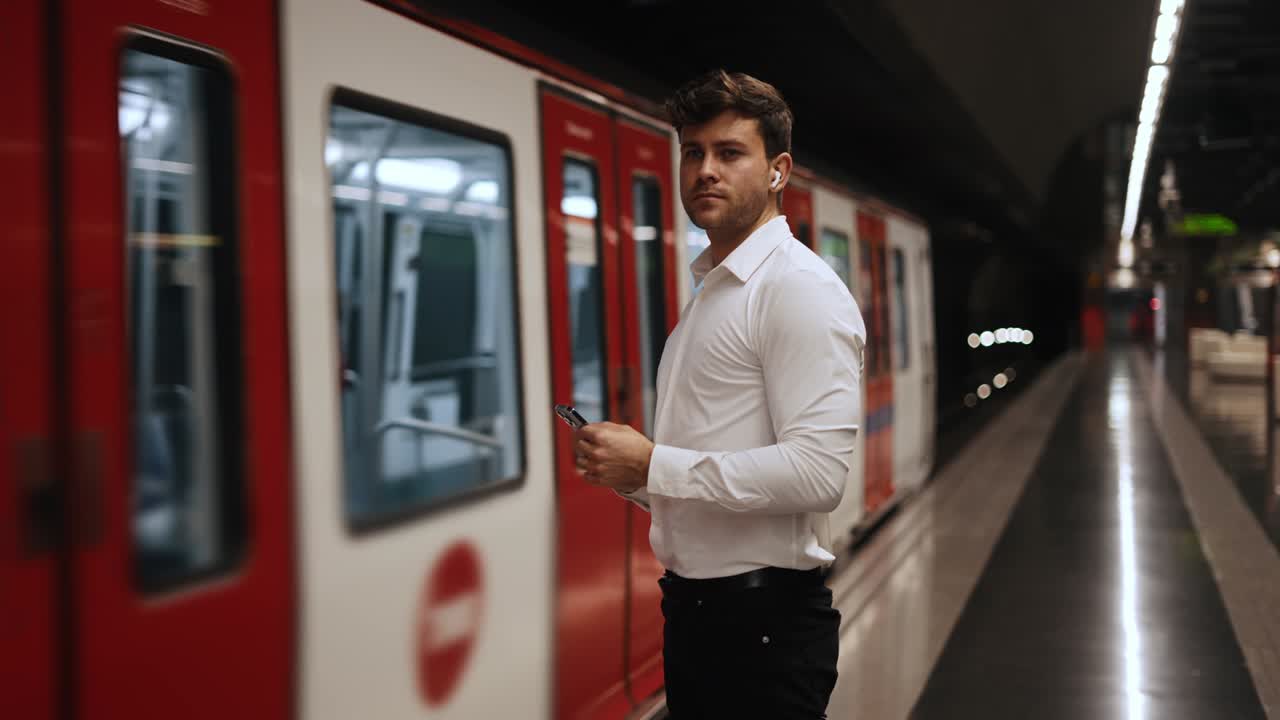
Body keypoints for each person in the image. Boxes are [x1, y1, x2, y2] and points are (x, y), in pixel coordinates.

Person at [573, 69, 867, 719]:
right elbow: (714, 473)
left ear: (777, 171)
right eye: (693, 152)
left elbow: (818, 475)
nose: (706, 169)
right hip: (700, 618)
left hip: (762, 631)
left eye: (730, 152)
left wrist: (654, 463)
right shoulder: (714, 292)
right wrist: (631, 472)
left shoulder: (797, 291)